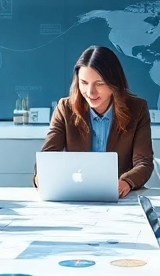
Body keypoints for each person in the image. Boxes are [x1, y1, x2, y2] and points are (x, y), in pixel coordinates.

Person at [37, 46, 153, 197]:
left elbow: (144, 163)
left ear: (114, 84)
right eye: (84, 82)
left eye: (99, 84)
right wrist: (40, 176)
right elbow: (47, 157)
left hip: (120, 198)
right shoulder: (65, 108)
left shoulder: (137, 109)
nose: (90, 92)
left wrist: (126, 182)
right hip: (76, 194)